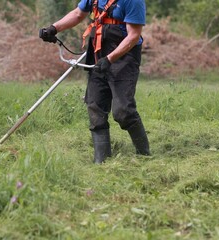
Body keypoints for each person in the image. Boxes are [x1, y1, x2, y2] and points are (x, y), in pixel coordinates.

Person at [39, 0, 150, 164]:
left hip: (124, 57)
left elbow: (133, 36)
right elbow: (78, 14)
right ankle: (101, 162)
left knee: (123, 111)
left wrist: (110, 59)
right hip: (99, 52)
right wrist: (54, 28)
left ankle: (144, 155)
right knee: (95, 107)